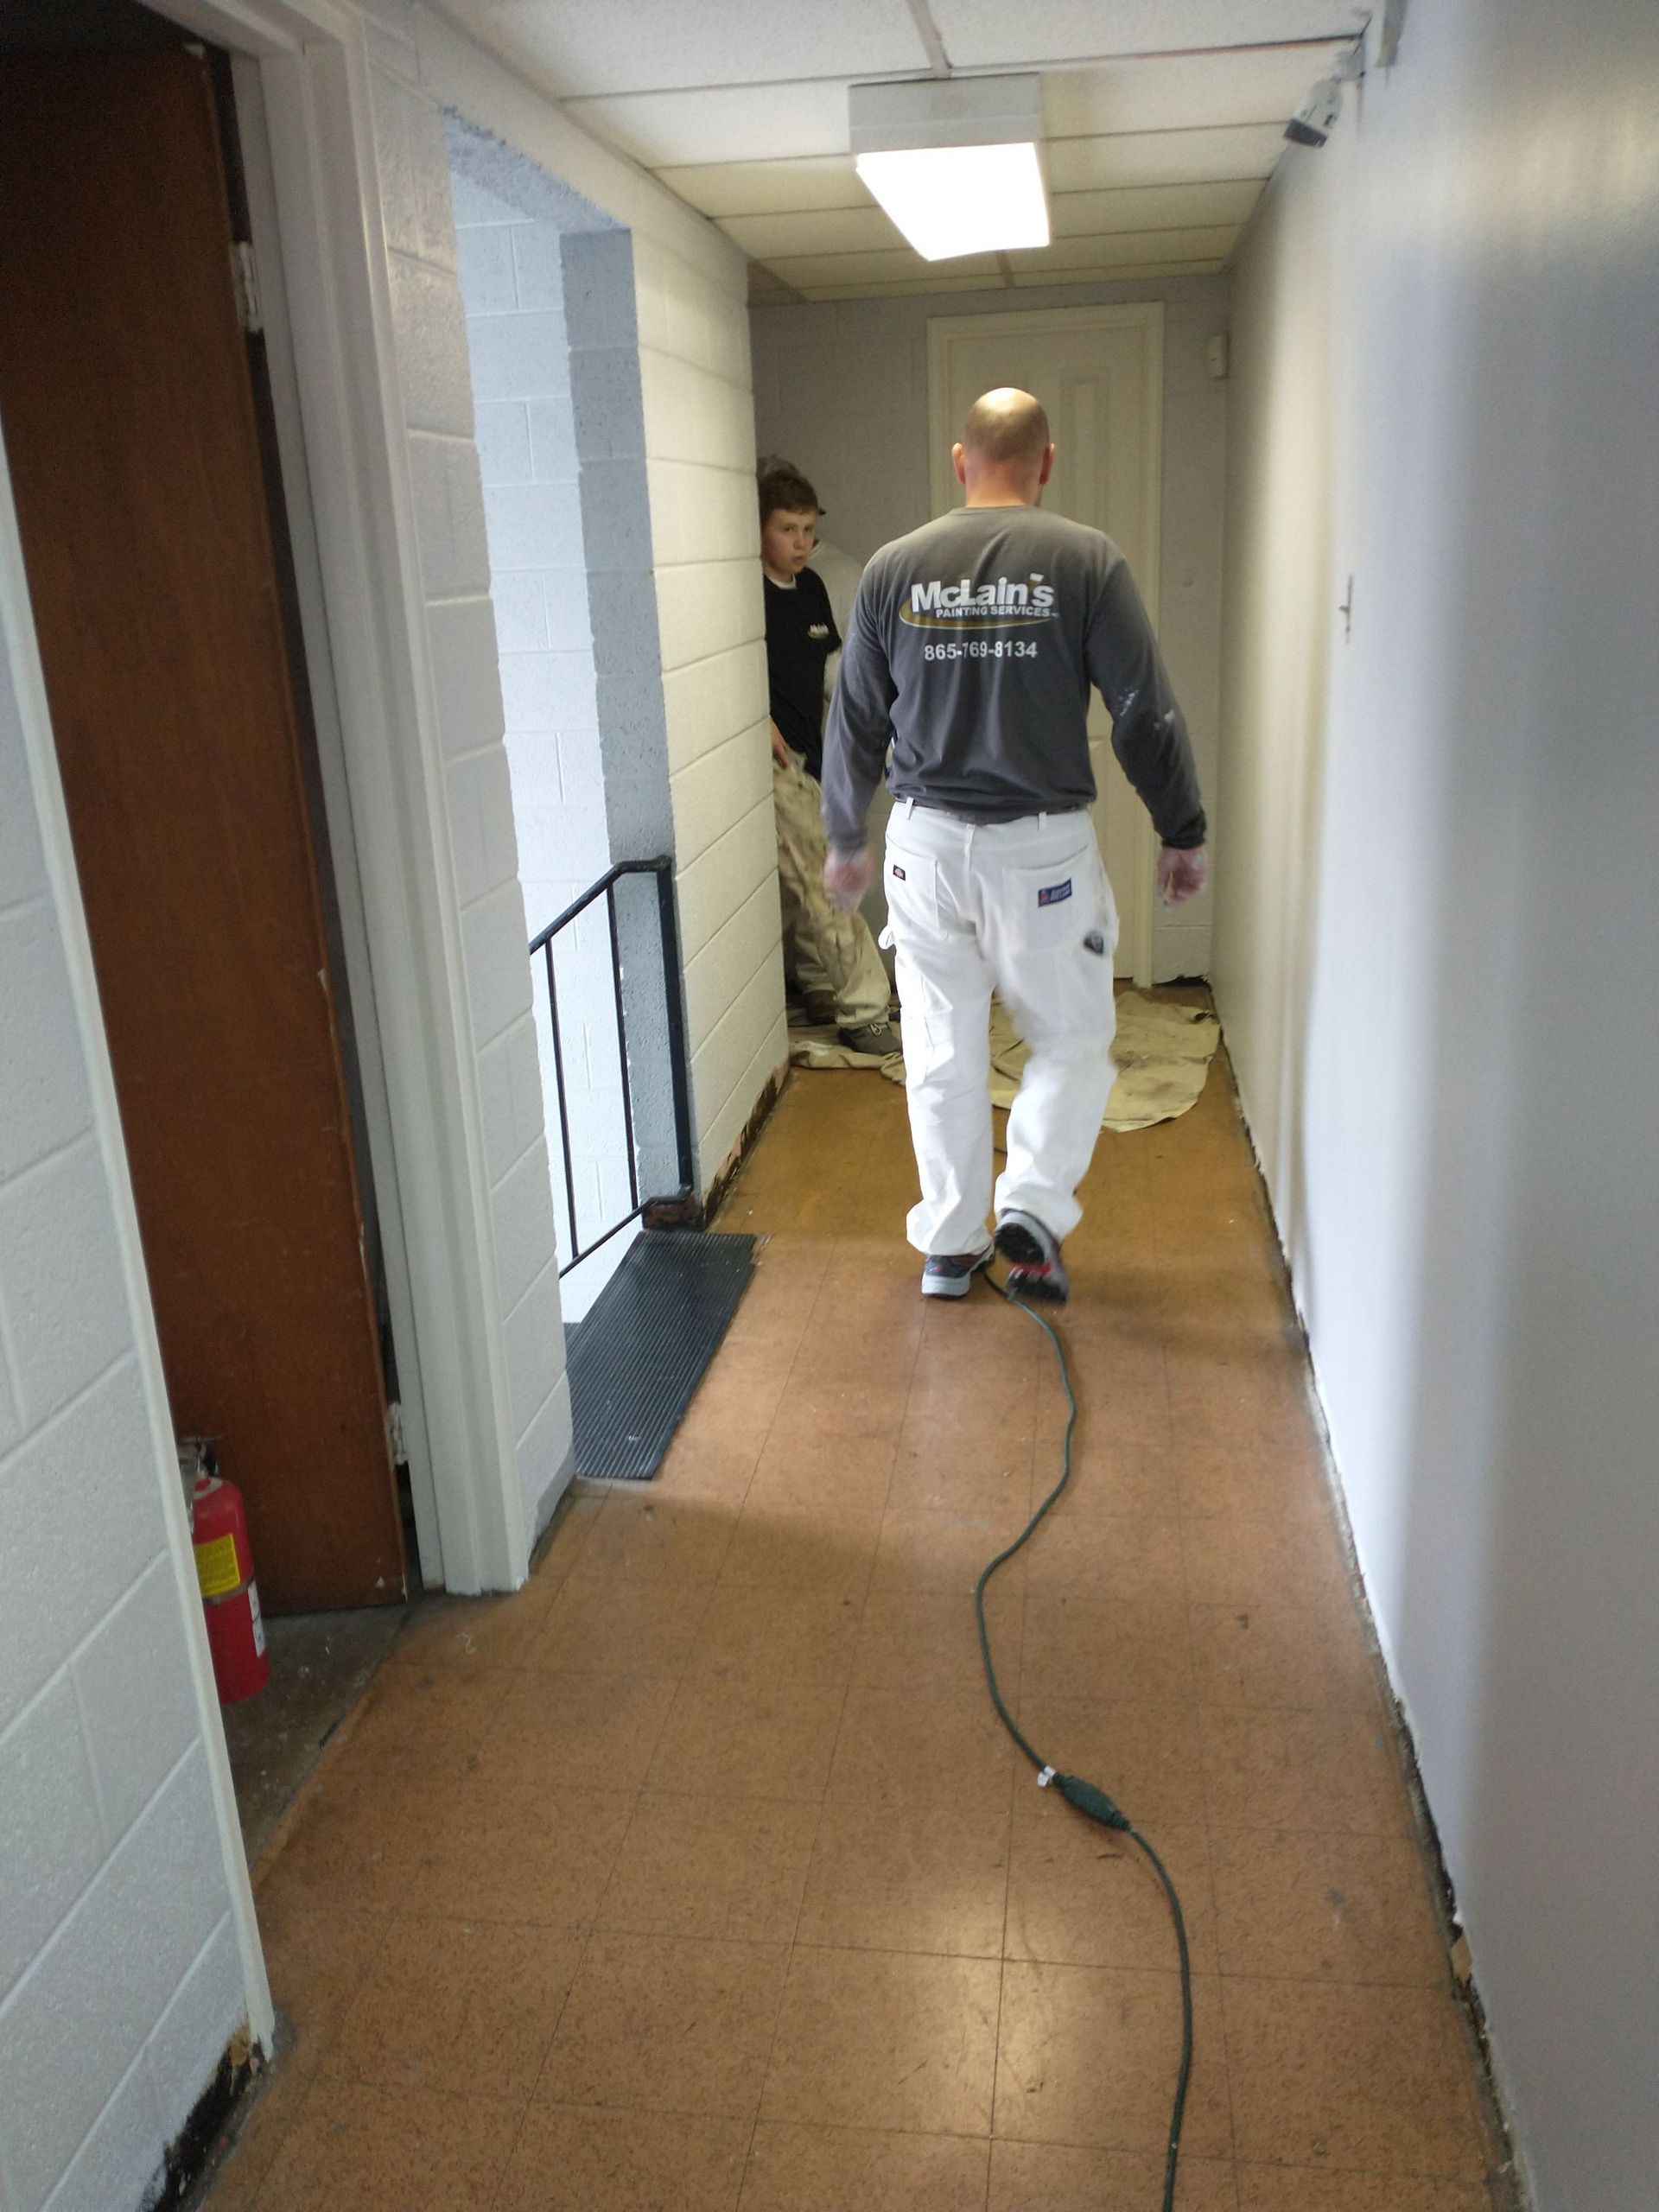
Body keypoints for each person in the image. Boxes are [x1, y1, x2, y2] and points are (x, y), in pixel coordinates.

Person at [820, 389, 1209, 1303]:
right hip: (1041, 855)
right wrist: (1180, 828)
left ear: (963, 461)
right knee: (1071, 1036)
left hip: (922, 847)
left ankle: (951, 1244)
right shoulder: (1084, 561)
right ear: (1048, 462)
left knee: (941, 1047)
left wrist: (845, 834)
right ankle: (1030, 1205)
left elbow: (855, 718)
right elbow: (1142, 714)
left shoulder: (892, 567)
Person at [758, 458, 899, 1057]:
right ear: (758, 528)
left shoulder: (811, 588)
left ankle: (818, 987)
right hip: (770, 767)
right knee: (826, 881)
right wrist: (752, 720)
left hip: (809, 761)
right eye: (788, 529)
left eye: (809, 530)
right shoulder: (745, 594)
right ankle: (866, 1010)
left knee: (797, 885)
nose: (801, 543)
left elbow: (833, 675)